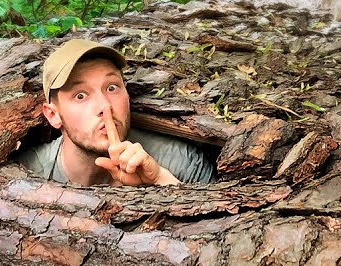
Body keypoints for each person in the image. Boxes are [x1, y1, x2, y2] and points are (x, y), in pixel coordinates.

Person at [15, 39, 216, 186]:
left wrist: (160, 179)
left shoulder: (181, 162)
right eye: (80, 95)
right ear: (53, 115)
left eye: (111, 88)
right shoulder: (29, 175)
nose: (104, 106)